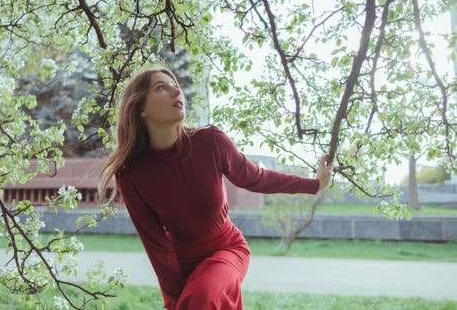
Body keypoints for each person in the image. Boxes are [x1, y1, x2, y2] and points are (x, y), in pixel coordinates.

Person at [98, 66, 333, 310]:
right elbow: (156, 245)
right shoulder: (132, 175)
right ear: (141, 109)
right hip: (182, 263)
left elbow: (256, 178)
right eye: (161, 87)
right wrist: (175, 301)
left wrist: (314, 184)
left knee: (202, 297)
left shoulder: (209, 141)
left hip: (227, 250)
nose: (175, 89)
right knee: (197, 301)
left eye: (174, 84)